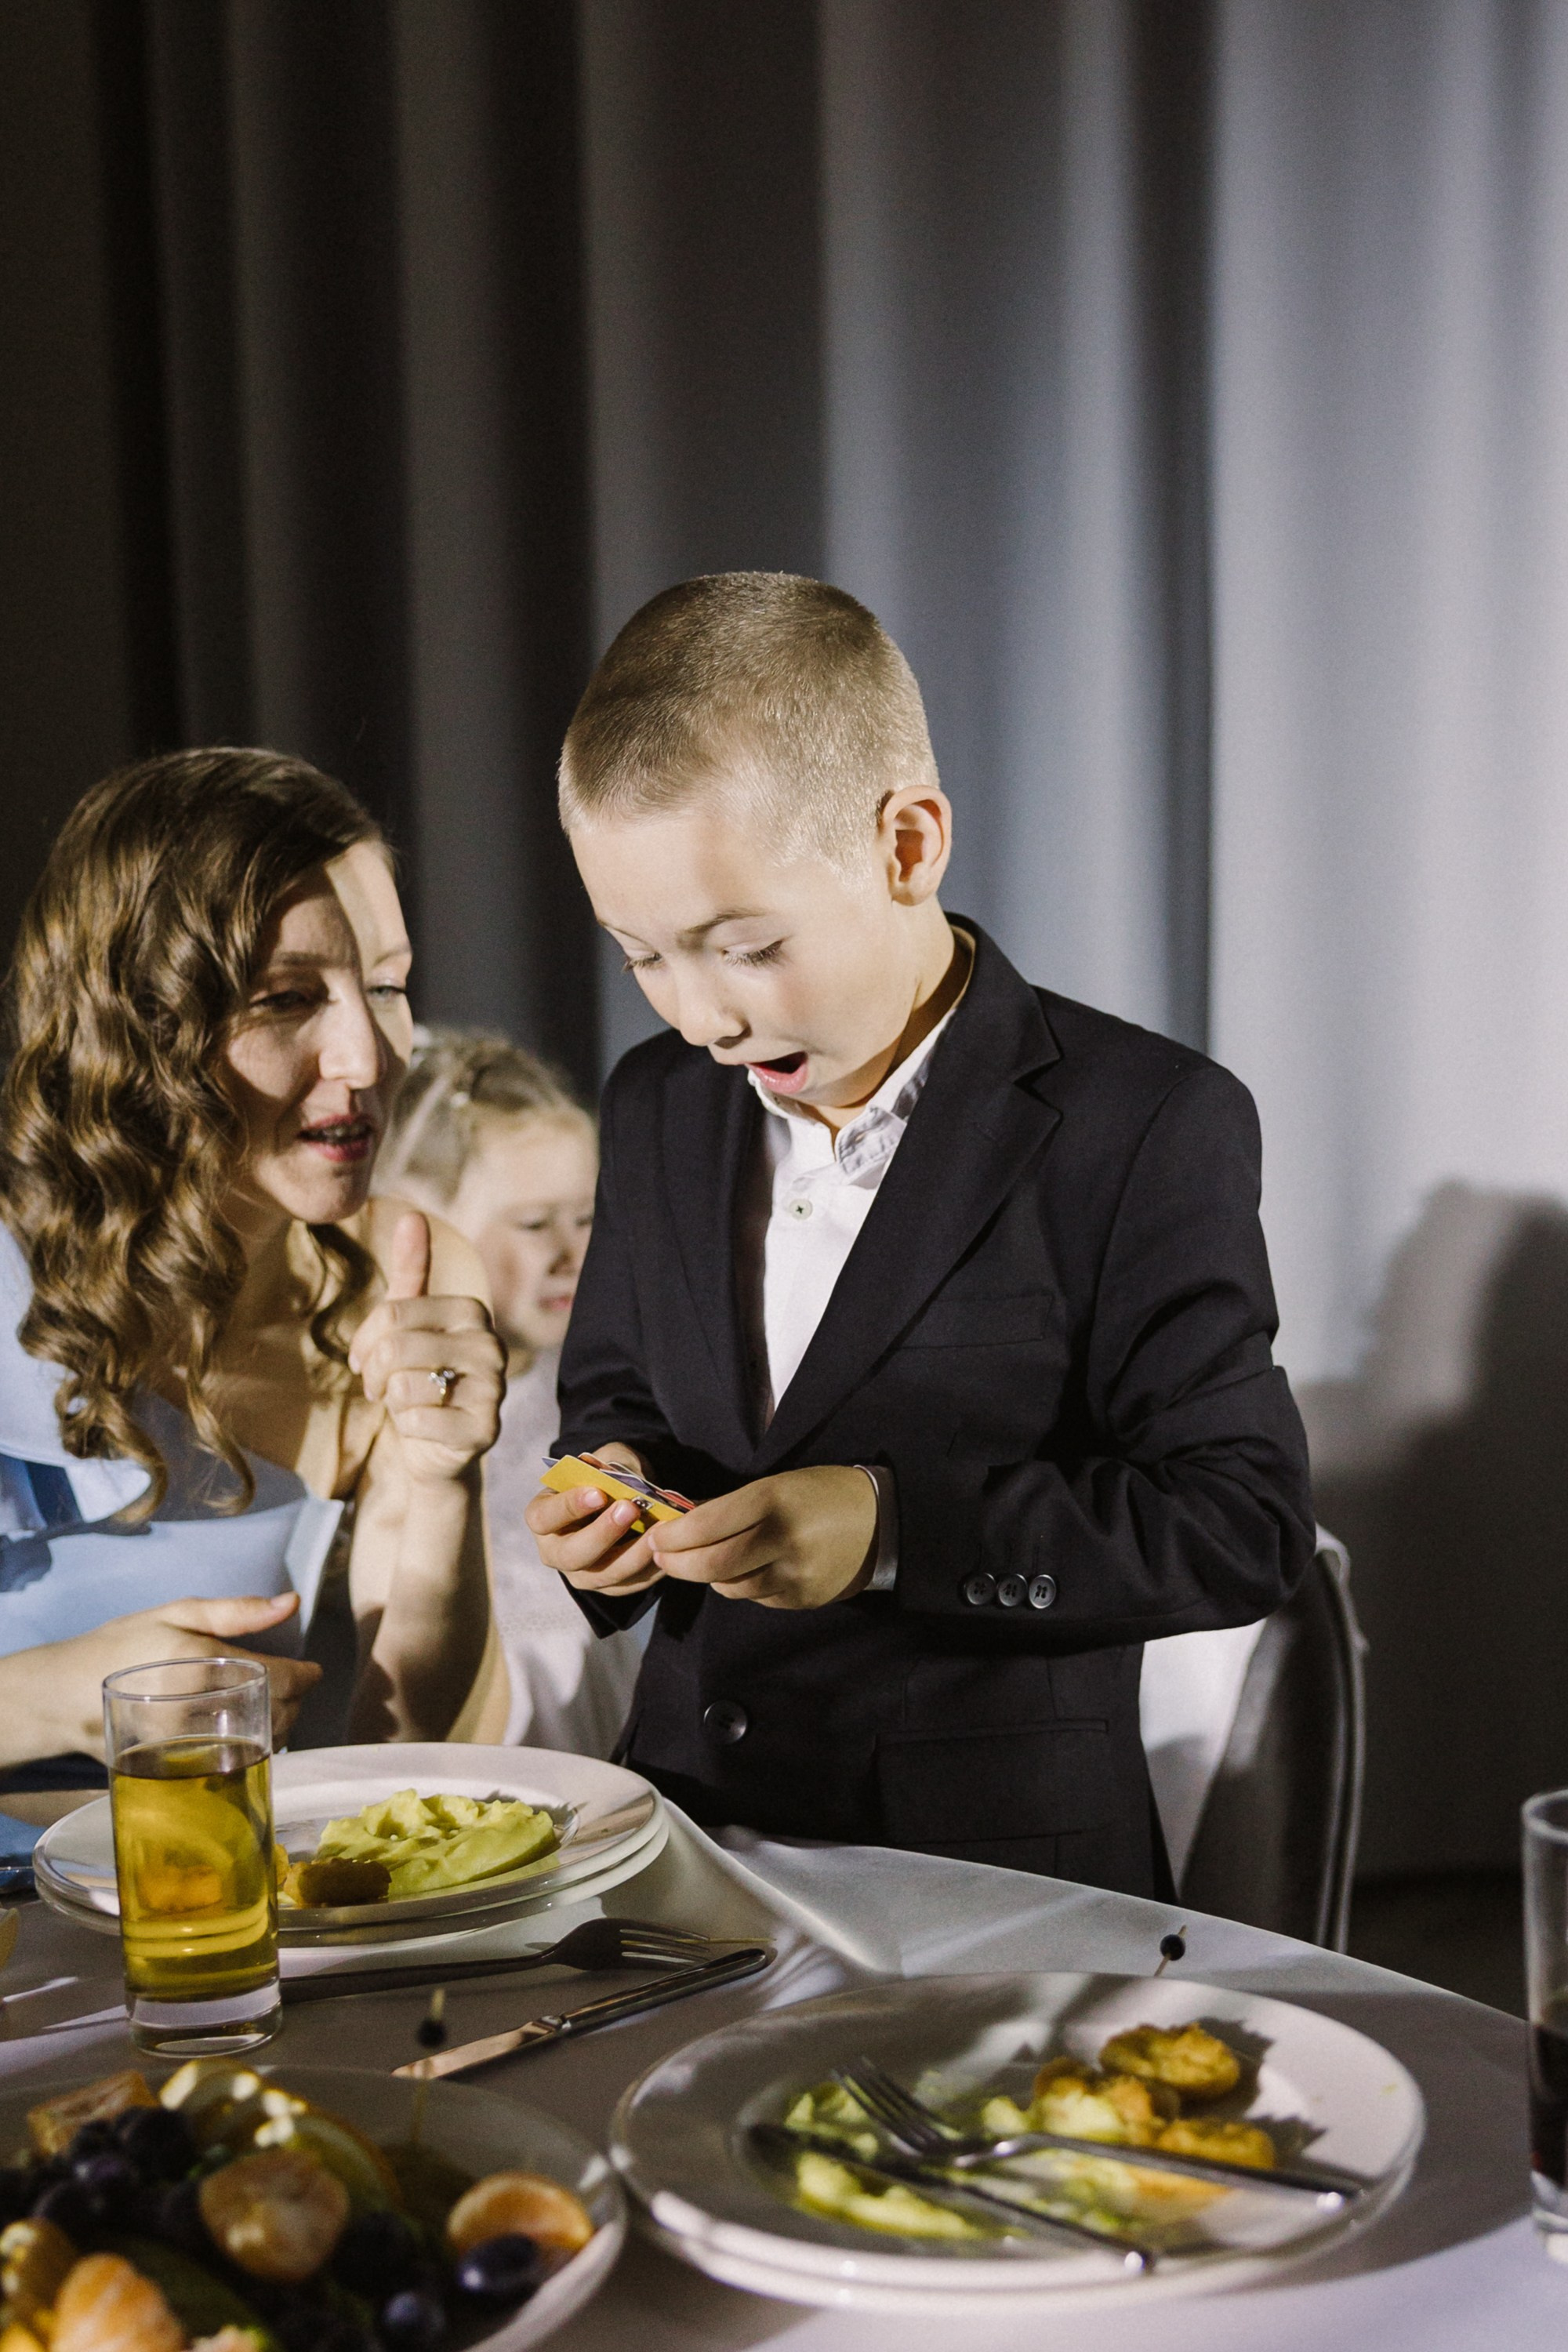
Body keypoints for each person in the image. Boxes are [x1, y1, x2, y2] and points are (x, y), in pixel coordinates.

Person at [525, 572, 1315, 1898]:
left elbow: (1241, 1521)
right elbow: (617, 1389)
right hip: (685, 1861)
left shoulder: (1146, 1123)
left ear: (908, 844)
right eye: (641, 956)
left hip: (1002, 1893)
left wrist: (898, 1528)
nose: (699, 1019)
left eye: (744, 946)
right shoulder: (655, 1103)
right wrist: (606, 1480)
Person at [0, 748, 508, 1823]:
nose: (369, 1058)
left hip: (235, 1914)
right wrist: (55, 1703)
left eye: (385, 985)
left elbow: (421, 1751)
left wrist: (446, 1488)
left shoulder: (415, 1272)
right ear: (137, 1025)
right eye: (287, 1000)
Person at [376, 1029, 641, 1754]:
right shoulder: (390, 1411)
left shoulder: (606, 1387)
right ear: (425, 1226)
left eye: (588, 1218)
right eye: (533, 1224)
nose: (572, 1253)